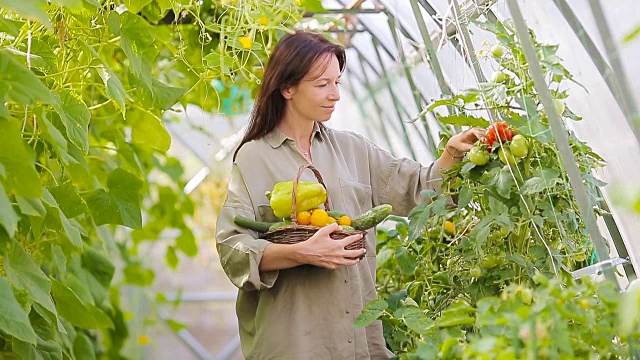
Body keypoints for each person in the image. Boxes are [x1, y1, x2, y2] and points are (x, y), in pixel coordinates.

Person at [216, 31, 483, 359]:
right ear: (287, 88)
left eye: (337, 82)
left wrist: (452, 156)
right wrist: (303, 252)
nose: (335, 95)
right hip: (295, 344)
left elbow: (420, 189)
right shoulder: (253, 159)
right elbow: (233, 249)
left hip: (358, 342)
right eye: (322, 84)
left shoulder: (354, 149)